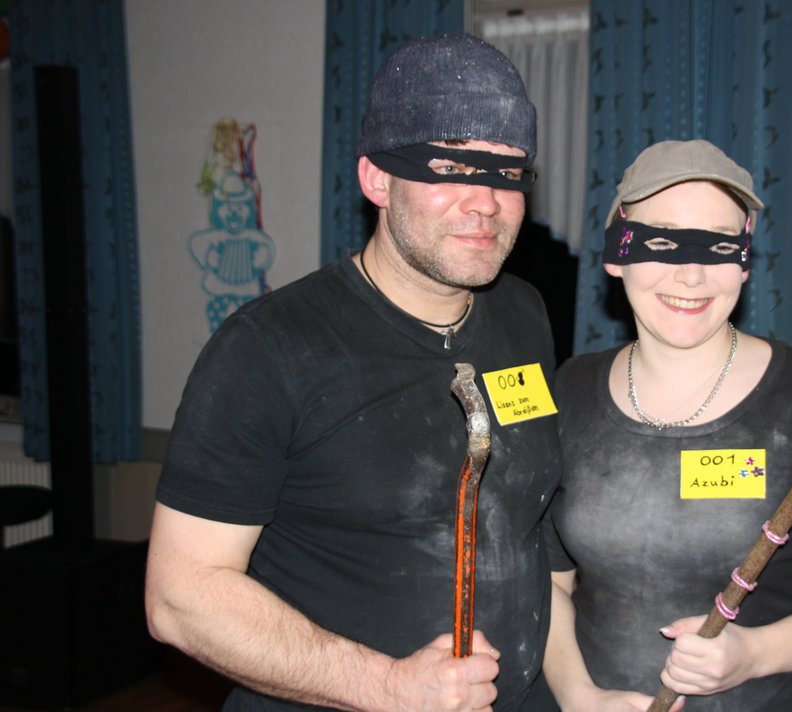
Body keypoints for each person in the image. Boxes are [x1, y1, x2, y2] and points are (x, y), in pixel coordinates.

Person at [145, 33, 562, 712]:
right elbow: (180, 596)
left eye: (507, 172)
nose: (485, 201)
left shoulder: (525, 314)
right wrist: (386, 686)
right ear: (377, 179)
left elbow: (528, 518)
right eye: (449, 166)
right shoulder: (269, 349)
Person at [543, 139, 792, 712]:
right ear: (617, 252)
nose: (692, 276)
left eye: (719, 246)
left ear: (744, 260)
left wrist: (753, 653)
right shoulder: (569, 390)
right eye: (662, 242)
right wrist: (580, 697)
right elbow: (549, 580)